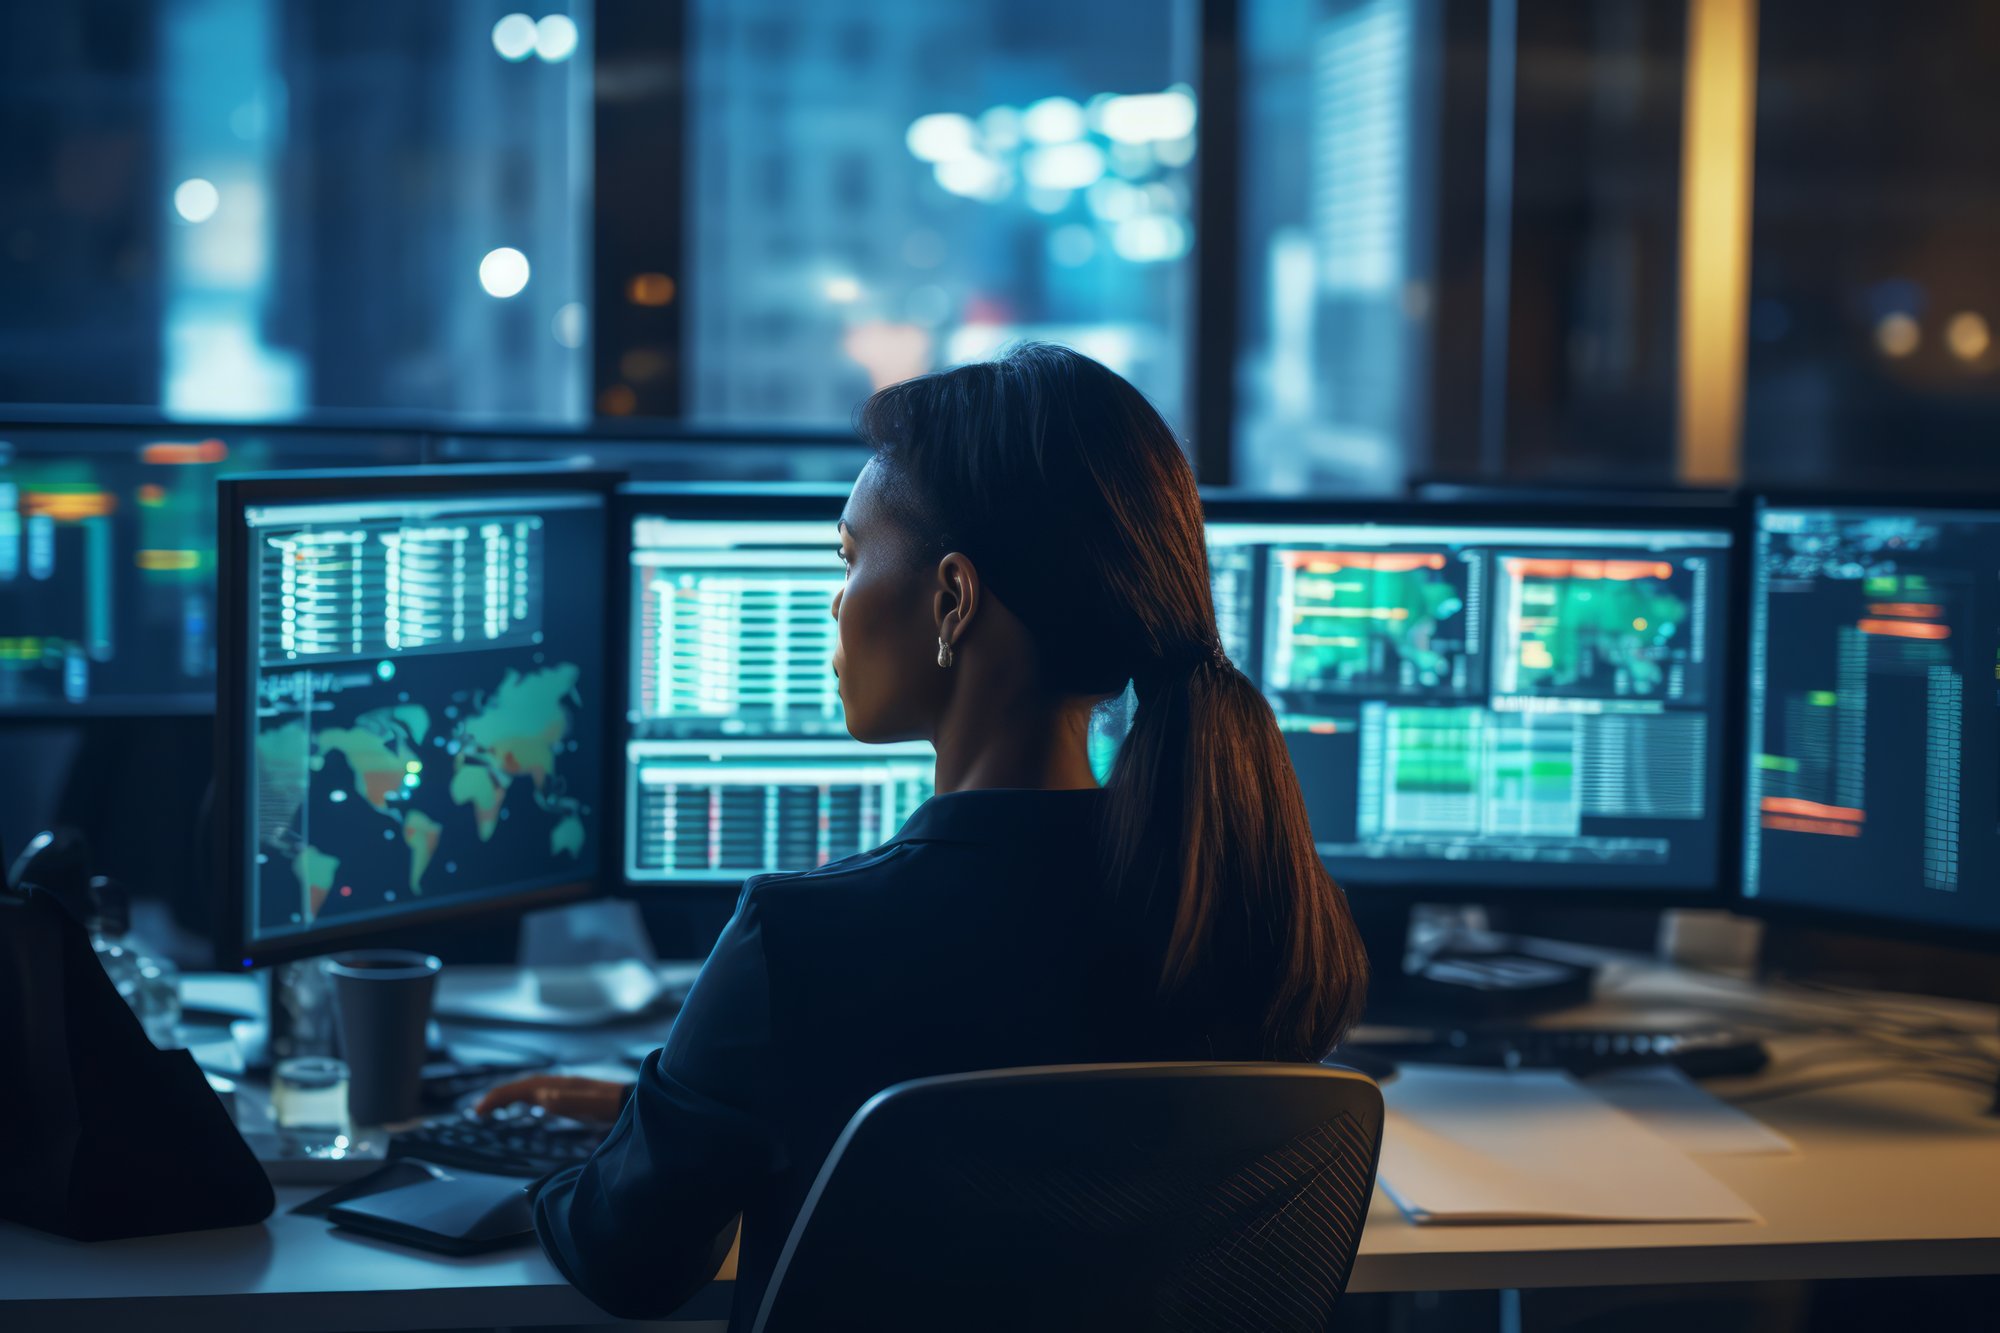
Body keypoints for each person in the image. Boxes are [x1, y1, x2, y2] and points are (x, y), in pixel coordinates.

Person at [478, 343, 1370, 1324]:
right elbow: (1063, 1167)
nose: (837, 596)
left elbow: (628, 1261)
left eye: (852, 555)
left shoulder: (802, 943)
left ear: (951, 598)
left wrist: (576, 1165)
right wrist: (695, 1118)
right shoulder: (1242, 910)